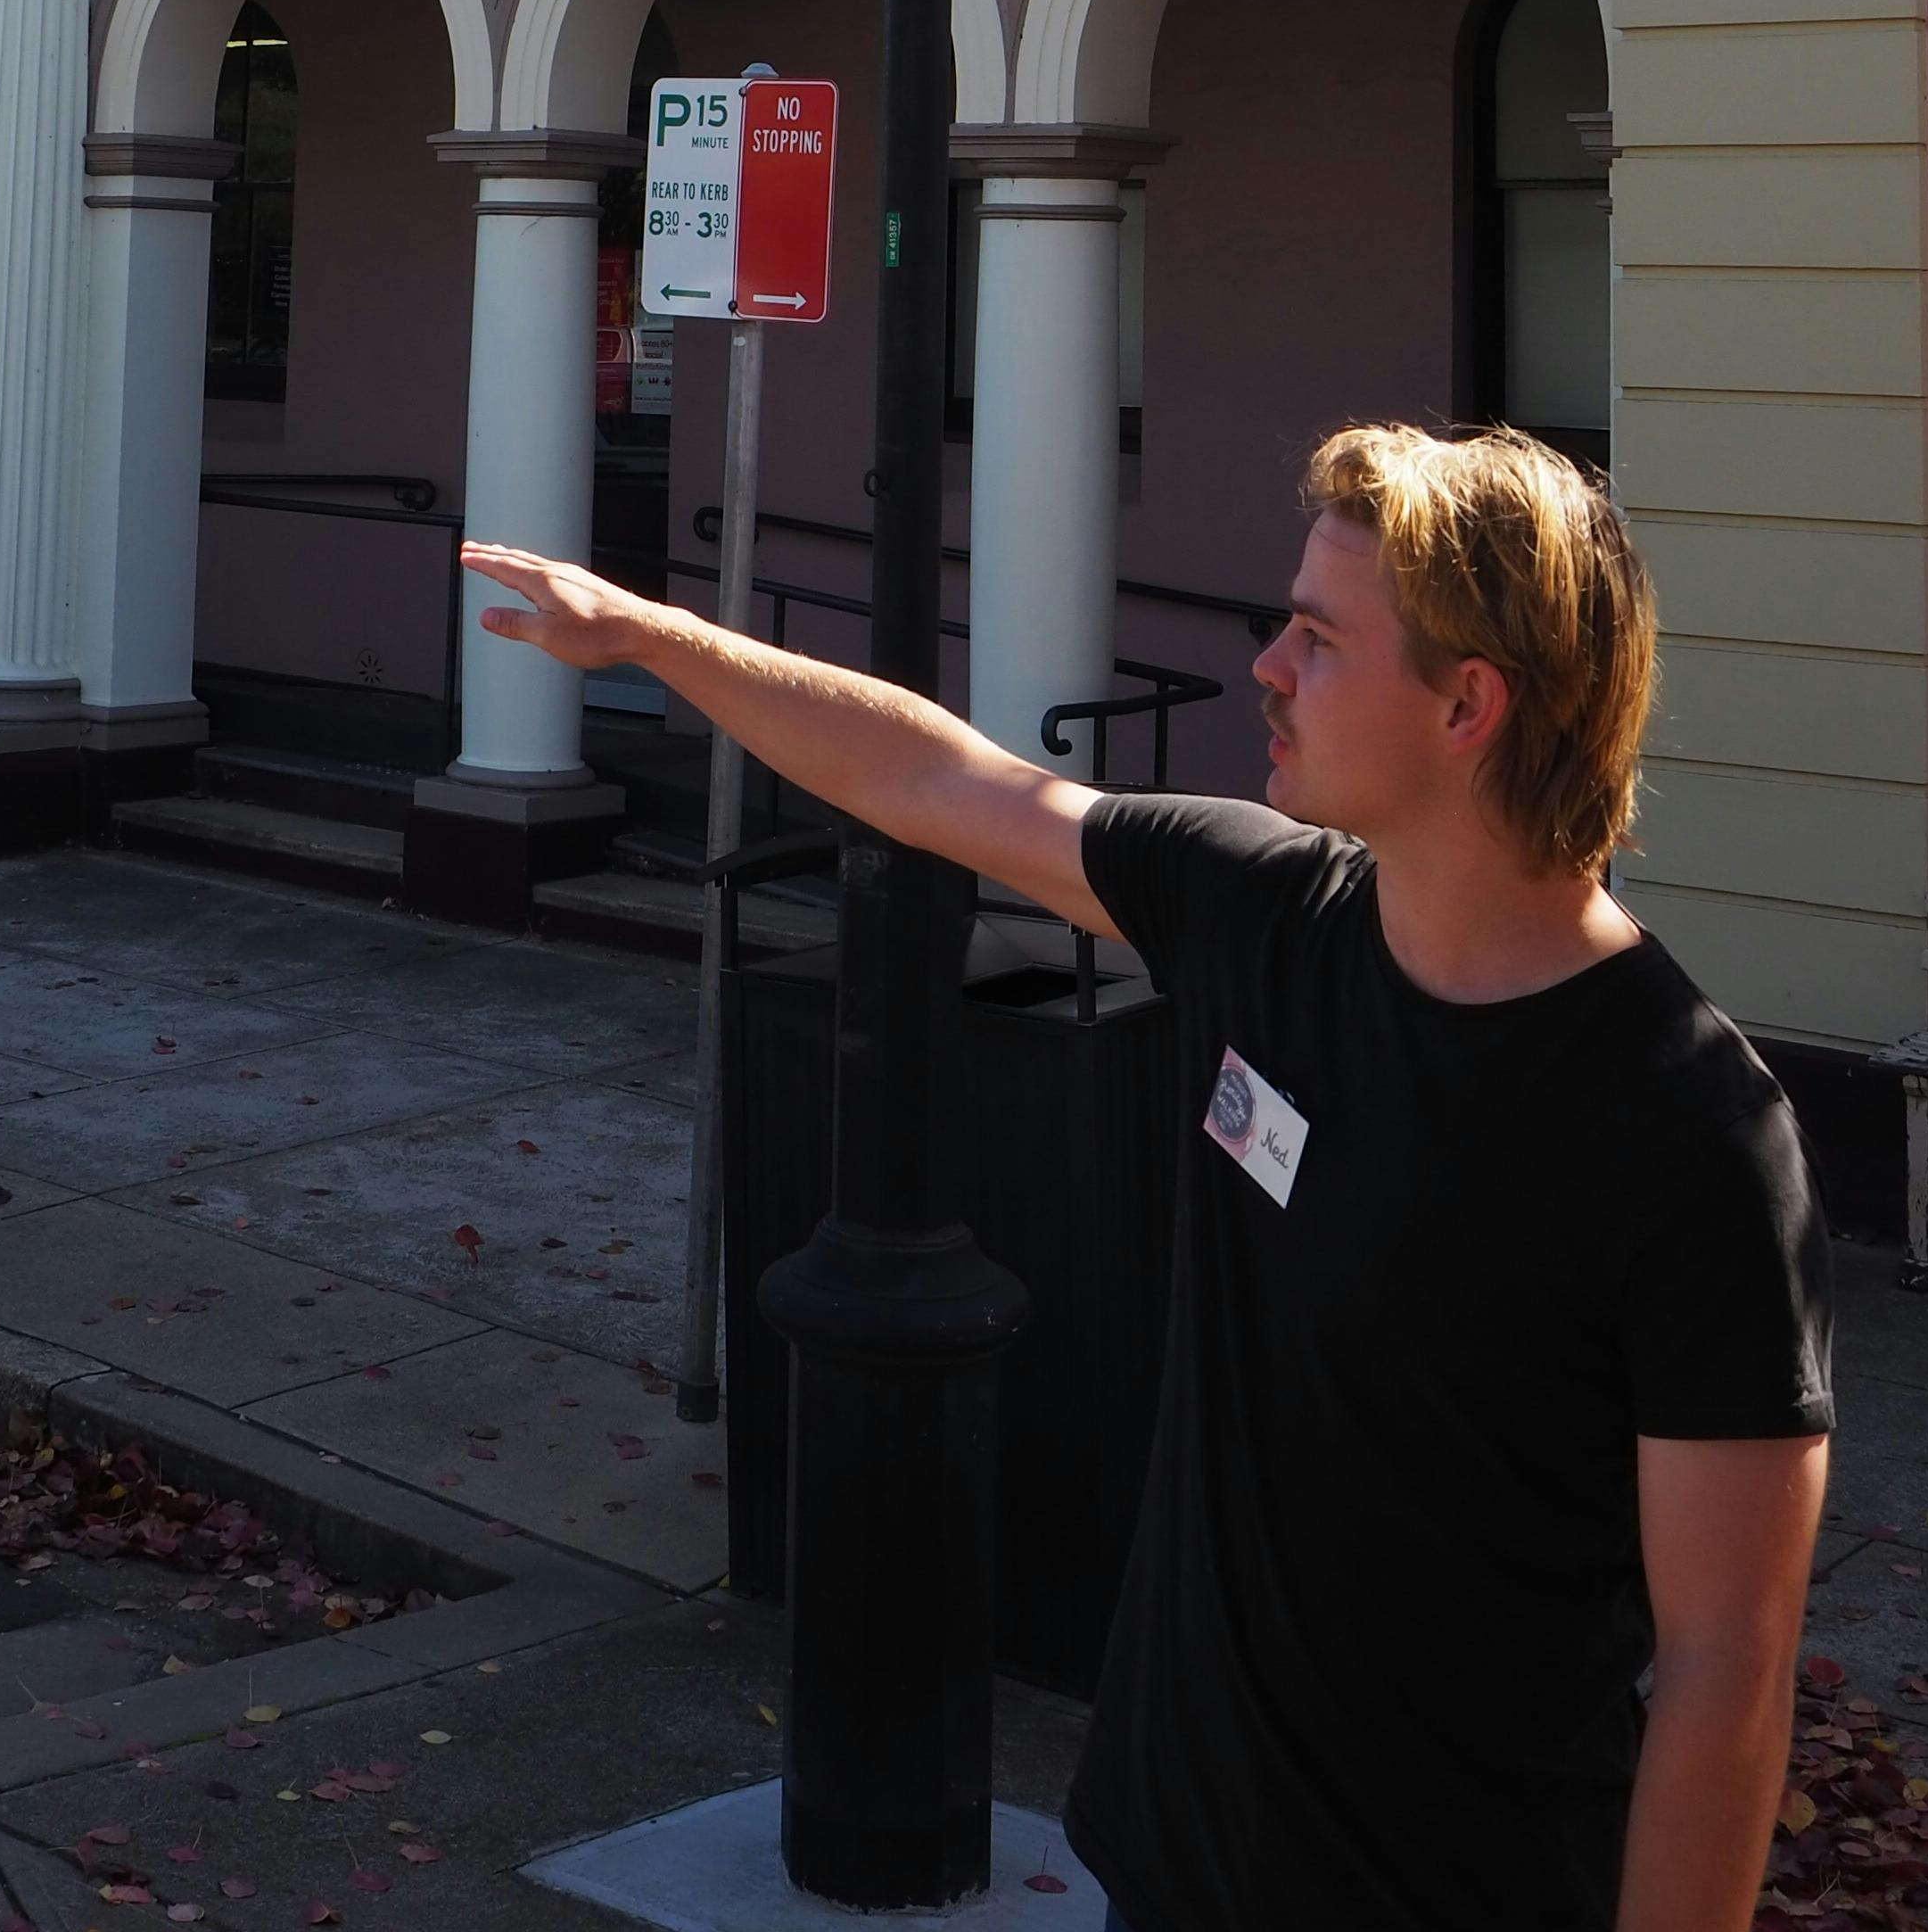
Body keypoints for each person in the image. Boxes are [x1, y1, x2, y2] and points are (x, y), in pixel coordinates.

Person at [466, 420, 1833, 1932]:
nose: (1268, 667)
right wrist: (654, 637)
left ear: (1468, 705)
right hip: (1171, 1874)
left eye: (1316, 636)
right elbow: (940, 780)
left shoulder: (1691, 1133)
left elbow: (1727, 1668)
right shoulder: (1265, 913)